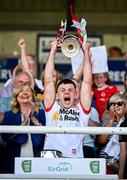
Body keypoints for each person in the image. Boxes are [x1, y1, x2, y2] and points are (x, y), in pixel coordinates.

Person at [43, 40, 92, 157]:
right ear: (56, 95)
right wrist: (53, 50)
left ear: (76, 94)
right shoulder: (52, 108)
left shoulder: (82, 110)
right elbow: (48, 81)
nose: (66, 93)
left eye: (70, 90)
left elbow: (87, 81)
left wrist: (86, 52)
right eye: (63, 90)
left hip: (75, 157)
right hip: (50, 157)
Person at [0, 82, 46, 173]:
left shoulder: (41, 113)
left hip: (37, 159)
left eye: (28, 91)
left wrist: (33, 117)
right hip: (13, 159)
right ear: (16, 97)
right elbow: (5, 137)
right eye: (21, 91)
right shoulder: (9, 115)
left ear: (32, 96)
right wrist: (23, 124)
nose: (25, 93)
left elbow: (45, 135)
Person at [96, 93, 126, 174]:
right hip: (104, 163)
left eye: (119, 104)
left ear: (125, 106)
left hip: (121, 163)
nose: (116, 106)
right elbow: (101, 141)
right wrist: (111, 121)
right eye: (112, 104)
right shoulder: (105, 123)